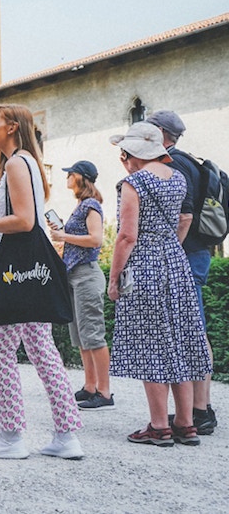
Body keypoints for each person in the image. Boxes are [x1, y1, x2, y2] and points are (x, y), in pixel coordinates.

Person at [0, 104, 84, 459]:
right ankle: (67, 434)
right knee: (43, 350)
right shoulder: (27, 162)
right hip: (33, 271)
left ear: (12, 127)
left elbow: (24, 221)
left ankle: (11, 436)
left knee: (1, 347)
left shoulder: (14, 163)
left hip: (17, 272)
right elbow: (11, 217)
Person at [107, 122, 211, 447]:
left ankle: (158, 426)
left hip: (145, 265)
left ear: (131, 153)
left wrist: (114, 279)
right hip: (175, 262)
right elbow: (184, 219)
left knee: (152, 342)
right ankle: (185, 424)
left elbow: (126, 236)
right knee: (178, 341)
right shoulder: (177, 178)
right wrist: (170, 245)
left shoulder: (133, 182)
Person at [146, 110, 217, 435]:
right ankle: (199, 410)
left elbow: (183, 216)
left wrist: (167, 254)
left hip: (185, 255)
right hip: (198, 253)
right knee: (193, 328)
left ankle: (199, 412)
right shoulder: (190, 161)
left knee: (191, 331)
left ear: (160, 132)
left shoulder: (173, 164)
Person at [47, 161, 114, 411]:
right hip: (74, 275)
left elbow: (96, 239)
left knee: (93, 334)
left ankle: (105, 393)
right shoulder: (81, 206)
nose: (67, 177)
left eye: (71, 174)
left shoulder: (91, 205)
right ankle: (89, 386)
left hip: (87, 275)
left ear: (80, 178)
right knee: (81, 336)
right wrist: (63, 231)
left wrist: (64, 236)